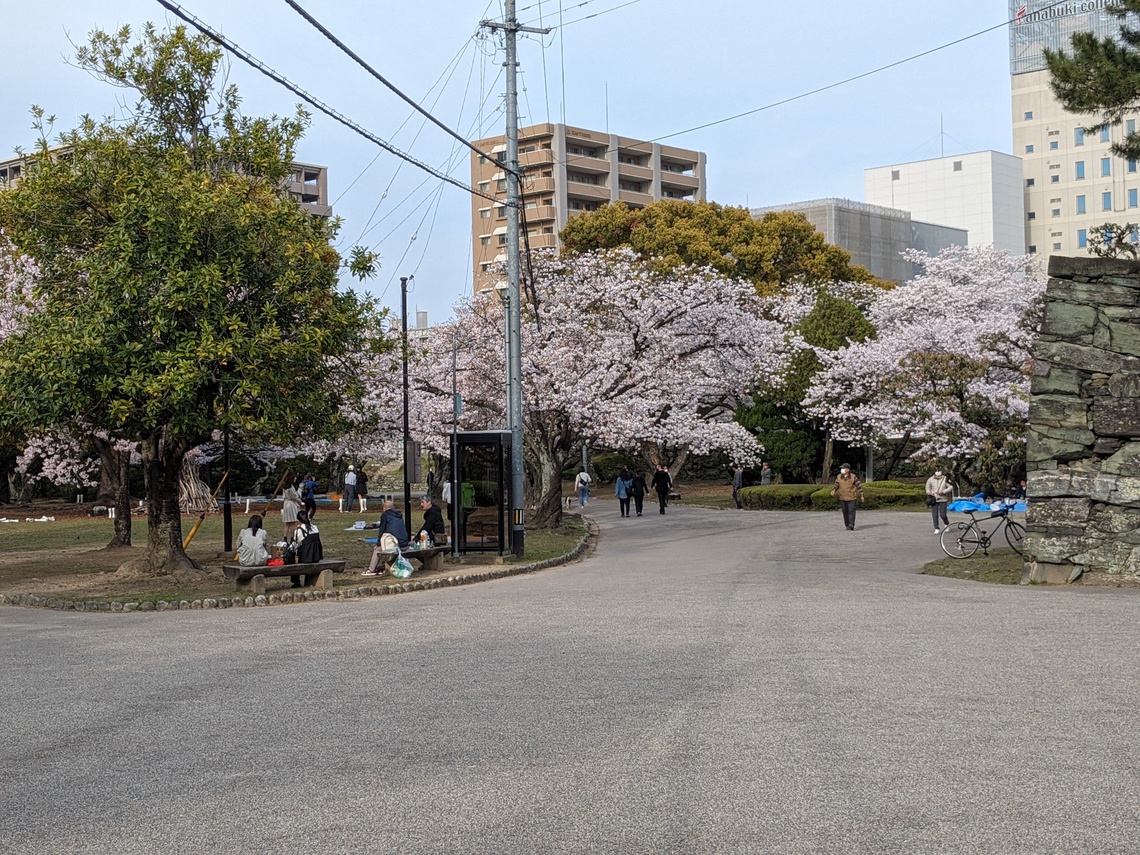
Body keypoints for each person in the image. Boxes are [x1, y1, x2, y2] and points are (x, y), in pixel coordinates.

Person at [362, 499, 412, 576]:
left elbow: (382, 530)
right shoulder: (399, 515)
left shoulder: (385, 515)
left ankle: (371, 569)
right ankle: (382, 566)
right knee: (385, 545)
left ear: (384, 508)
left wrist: (378, 544)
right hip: (404, 543)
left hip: (396, 544)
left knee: (378, 550)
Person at [289, 510, 323, 588]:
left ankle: (296, 582)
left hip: (307, 557)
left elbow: (296, 545)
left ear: (298, 520)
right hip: (316, 556)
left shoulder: (299, 530)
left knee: (293, 558)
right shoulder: (315, 527)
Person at [829, 463, 864, 531]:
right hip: (842, 497)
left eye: (843, 468)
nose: (842, 470)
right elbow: (836, 484)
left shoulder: (853, 477)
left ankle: (851, 524)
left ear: (848, 469)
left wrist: (862, 495)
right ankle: (847, 524)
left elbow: (859, 486)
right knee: (845, 512)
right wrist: (834, 490)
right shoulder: (839, 476)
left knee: (851, 511)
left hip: (852, 497)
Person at [925, 469, 954, 534]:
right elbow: (927, 488)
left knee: (943, 514)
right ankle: (936, 528)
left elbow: (950, 487)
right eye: (937, 476)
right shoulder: (930, 479)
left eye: (939, 476)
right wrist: (929, 492)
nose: (938, 477)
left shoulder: (945, 479)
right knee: (934, 515)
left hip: (943, 499)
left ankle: (946, 523)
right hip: (934, 499)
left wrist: (943, 491)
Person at [281, 474, 301, 541]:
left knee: (287, 523)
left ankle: (285, 537)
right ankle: (292, 538)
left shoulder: (285, 486)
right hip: (291, 504)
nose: (295, 479)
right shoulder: (290, 487)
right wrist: (298, 499)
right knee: (292, 522)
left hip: (286, 504)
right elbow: (294, 496)